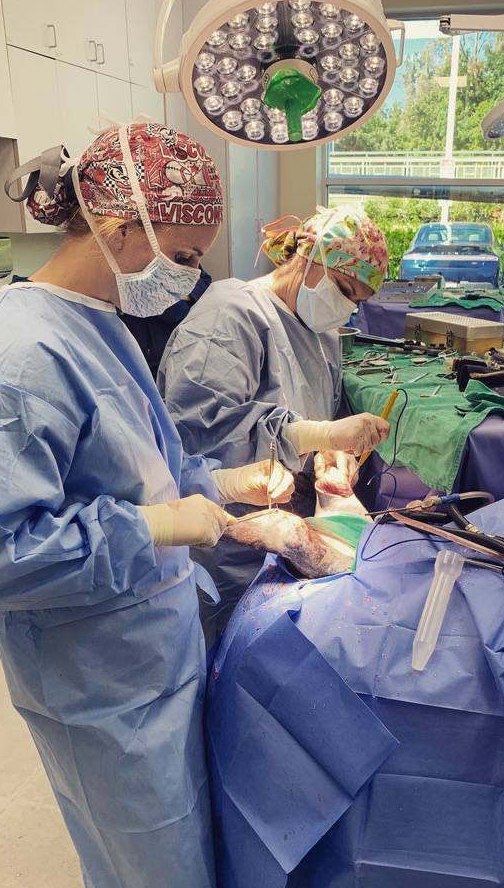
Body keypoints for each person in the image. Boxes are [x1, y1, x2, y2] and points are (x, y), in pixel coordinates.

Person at [0, 122, 294, 888]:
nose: (188, 280)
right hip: (95, 679)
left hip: (149, 648)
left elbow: (143, 468)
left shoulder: (97, 325)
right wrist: (158, 529)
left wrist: (227, 485)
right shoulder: (7, 361)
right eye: (183, 258)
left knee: (186, 860)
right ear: (118, 227)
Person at [157, 206, 391, 642]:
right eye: (341, 288)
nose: (343, 308)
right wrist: (315, 435)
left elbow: (315, 409)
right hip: (228, 534)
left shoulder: (319, 331)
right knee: (229, 651)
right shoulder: (228, 317)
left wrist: (330, 456)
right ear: (306, 258)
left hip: (290, 529)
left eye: (354, 302)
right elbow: (202, 438)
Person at [120, 263, 212, 377]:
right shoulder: (140, 262)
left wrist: (176, 293)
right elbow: (171, 311)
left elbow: (206, 281)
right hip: (146, 356)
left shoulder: (182, 257)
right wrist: (188, 298)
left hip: (175, 352)